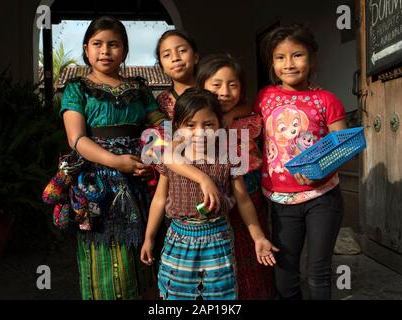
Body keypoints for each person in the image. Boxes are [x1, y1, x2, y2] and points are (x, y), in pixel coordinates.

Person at [59, 16, 167, 300]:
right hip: (96, 185)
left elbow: (162, 129)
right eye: (97, 44)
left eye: (113, 44)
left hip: (137, 182)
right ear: (86, 49)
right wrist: (116, 161)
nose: (104, 51)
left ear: (125, 51)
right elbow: (76, 139)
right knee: (101, 255)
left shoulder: (140, 89)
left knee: (139, 254)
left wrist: (152, 163)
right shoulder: (77, 88)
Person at [140, 88, 277, 300]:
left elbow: (243, 199)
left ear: (220, 125)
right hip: (179, 241)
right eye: (190, 125)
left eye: (208, 125)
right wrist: (149, 238)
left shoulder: (228, 158)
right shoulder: (172, 160)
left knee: (219, 295)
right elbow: (159, 199)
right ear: (178, 127)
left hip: (218, 240)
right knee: (177, 294)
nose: (200, 133)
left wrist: (258, 236)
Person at [255, 23, 347, 300]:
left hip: (323, 197)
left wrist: (321, 169)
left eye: (298, 55)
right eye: (280, 57)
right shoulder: (264, 97)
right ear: (272, 63)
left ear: (312, 58)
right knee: (284, 274)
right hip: (281, 203)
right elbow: (238, 119)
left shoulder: (326, 100)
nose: (289, 64)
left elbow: (342, 144)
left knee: (318, 272)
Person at [195, 53, 274, 299]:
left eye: (233, 85)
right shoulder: (197, 123)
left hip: (249, 189)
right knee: (223, 251)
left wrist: (233, 115)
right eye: (216, 85)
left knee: (251, 245)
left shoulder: (248, 119)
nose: (225, 91)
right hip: (215, 193)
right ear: (202, 87)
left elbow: (254, 105)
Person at [155, 30, 250, 128]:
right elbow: (165, 130)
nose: (175, 58)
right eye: (167, 55)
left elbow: (246, 106)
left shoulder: (211, 88)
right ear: (162, 67)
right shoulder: (163, 101)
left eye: (182, 50)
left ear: (196, 57)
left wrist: (232, 114)